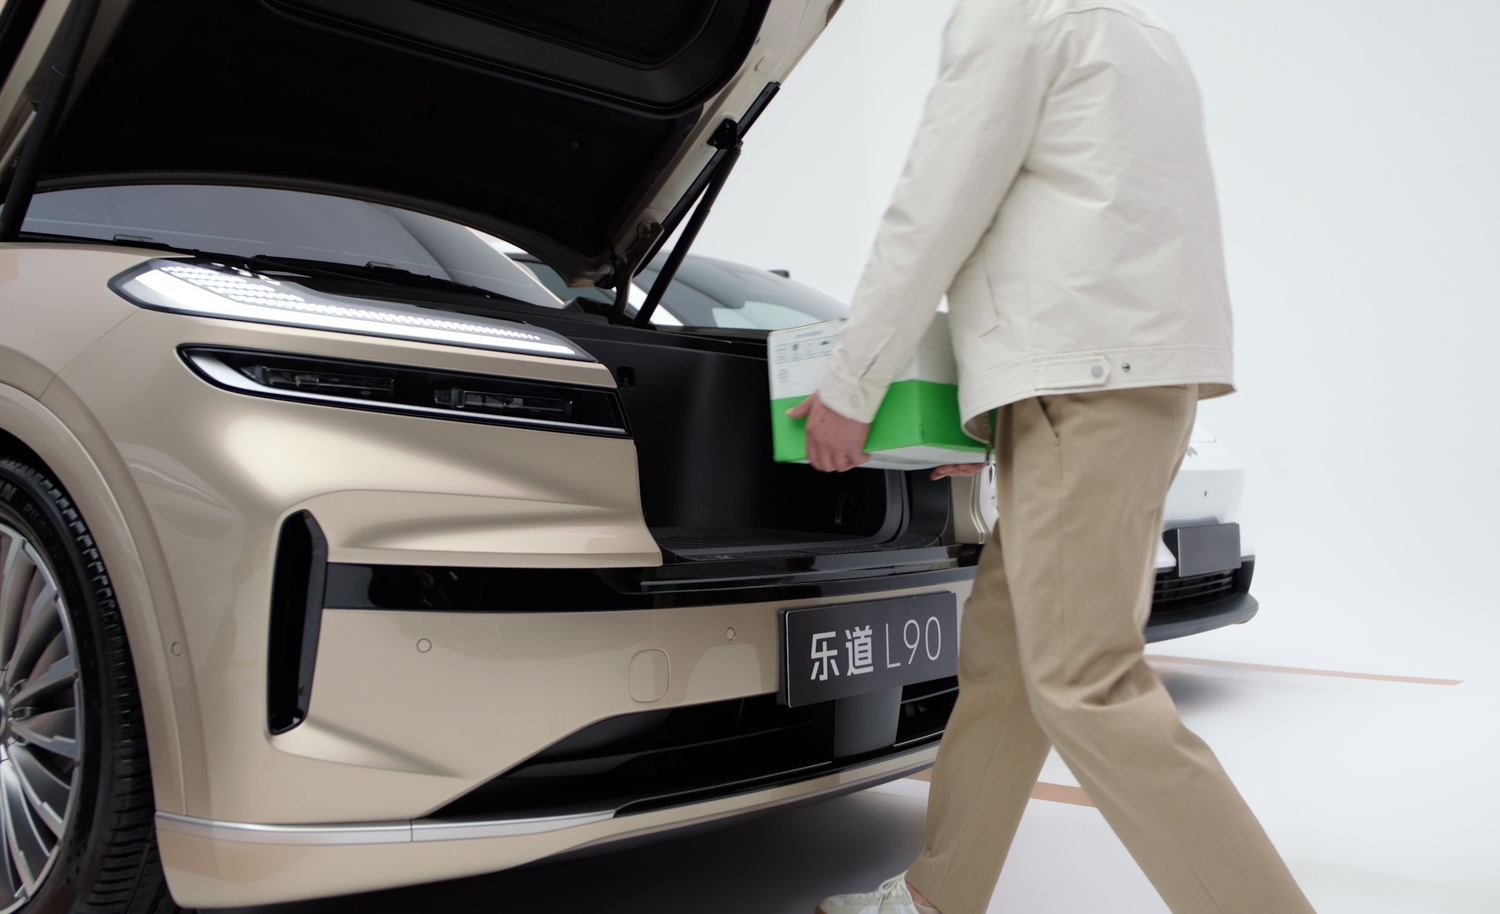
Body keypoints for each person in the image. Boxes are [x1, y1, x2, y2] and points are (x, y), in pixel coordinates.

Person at [795, 2, 1318, 913]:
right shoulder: (1139, 33)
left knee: (1086, 680)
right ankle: (938, 897)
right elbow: (1085, 232)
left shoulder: (1016, 14)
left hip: (1083, 384)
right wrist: (995, 417)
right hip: (1126, 378)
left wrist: (853, 385)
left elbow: (938, 207)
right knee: (1006, 664)